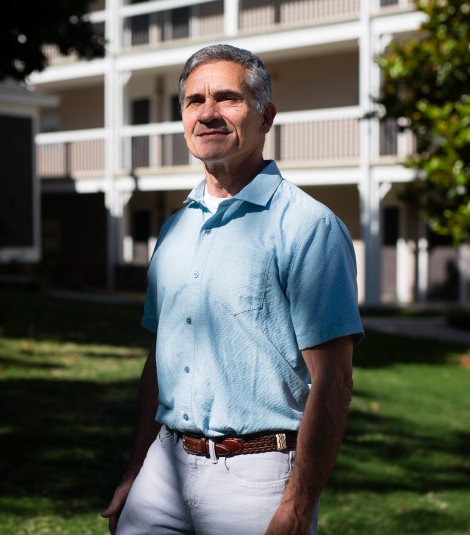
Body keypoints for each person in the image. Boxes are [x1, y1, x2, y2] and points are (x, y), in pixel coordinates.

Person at [101, 43, 364, 535]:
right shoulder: (175, 228)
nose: (208, 113)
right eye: (194, 101)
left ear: (266, 117)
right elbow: (160, 356)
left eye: (227, 98)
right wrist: (136, 471)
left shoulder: (308, 227)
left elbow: (334, 382)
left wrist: (298, 506)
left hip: (257, 477)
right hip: (164, 465)